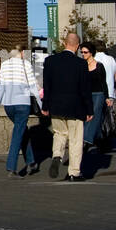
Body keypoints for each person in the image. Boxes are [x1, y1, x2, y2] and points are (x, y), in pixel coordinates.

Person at [41, 31, 93, 181]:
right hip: (75, 107)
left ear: (64, 43)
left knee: (59, 133)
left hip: (56, 106)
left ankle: (57, 155)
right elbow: (85, 89)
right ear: (77, 46)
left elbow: (47, 86)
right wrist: (89, 109)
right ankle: (74, 172)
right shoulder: (81, 64)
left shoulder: (50, 61)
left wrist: (45, 106)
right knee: (76, 139)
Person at [0, 47, 41, 177]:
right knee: (17, 135)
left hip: (8, 105)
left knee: (21, 130)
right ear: (22, 53)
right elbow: (32, 87)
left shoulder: (4, 65)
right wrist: (42, 105)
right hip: (22, 104)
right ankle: (11, 168)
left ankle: (31, 162)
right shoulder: (26, 65)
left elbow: (0, 87)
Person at [81, 42, 111, 151]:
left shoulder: (99, 66)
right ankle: (100, 140)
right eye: (82, 52)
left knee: (93, 115)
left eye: (85, 52)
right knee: (87, 117)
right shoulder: (82, 66)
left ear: (91, 53)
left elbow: (103, 82)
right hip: (87, 95)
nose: (83, 54)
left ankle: (86, 140)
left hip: (98, 94)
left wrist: (107, 97)